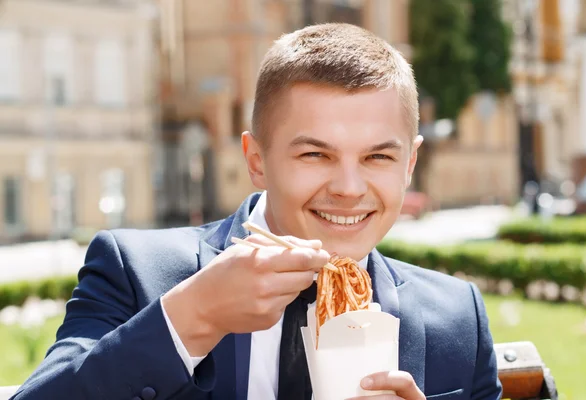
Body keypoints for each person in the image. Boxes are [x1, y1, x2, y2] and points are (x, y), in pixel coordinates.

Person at [12, 23, 501, 400]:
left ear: (410, 163)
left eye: (378, 156)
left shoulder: (458, 320)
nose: (350, 189)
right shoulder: (135, 271)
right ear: (256, 161)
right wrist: (194, 315)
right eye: (315, 154)